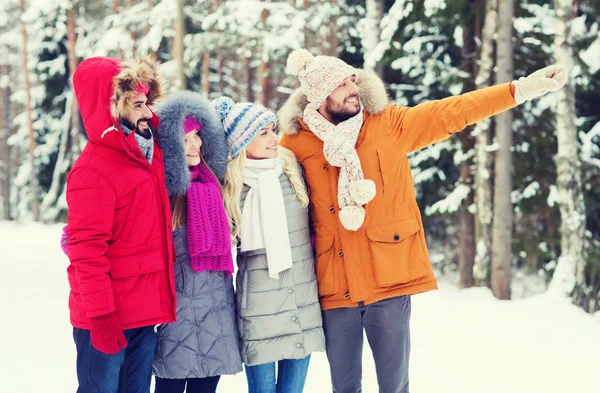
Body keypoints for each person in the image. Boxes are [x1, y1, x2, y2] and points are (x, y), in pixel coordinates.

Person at [278, 49, 568, 393]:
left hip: (387, 279)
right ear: (319, 95)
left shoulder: (388, 123)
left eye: (352, 79)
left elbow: (453, 111)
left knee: (395, 385)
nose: (352, 87)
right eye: (341, 85)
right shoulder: (294, 142)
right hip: (334, 285)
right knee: (343, 387)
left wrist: (518, 90)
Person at [65, 56, 176, 393]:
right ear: (111, 107)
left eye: (147, 102)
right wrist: (101, 317)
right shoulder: (93, 170)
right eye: (136, 104)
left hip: (143, 314)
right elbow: (85, 251)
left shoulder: (148, 155)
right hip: (107, 317)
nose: (146, 112)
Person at [214, 96, 325, 393]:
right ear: (241, 142)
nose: (274, 138)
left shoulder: (292, 171)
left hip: (301, 299)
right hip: (259, 307)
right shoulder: (230, 186)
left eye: (272, 129)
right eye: (263, 133)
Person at [151, 91, 243, 393]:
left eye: (198, 136)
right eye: (186, 138)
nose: (196, 145)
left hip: (214, 310)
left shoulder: (212, 184)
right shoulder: (161, 192)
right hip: (175, 313)